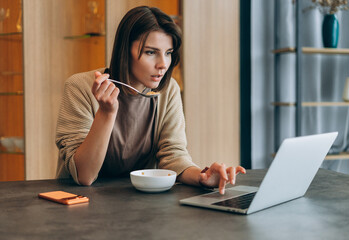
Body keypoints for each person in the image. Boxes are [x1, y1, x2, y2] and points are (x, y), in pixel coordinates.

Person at [55, 6, 245, 194]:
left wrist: (202, 177)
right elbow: (84, 176)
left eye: (168, 53)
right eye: (151, 52)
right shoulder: (79, 87)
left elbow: (173, 155)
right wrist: (106, 113)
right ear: (125, 50)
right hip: (80, 203)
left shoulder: (169, 90)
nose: (163, 64)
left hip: (140, 200)